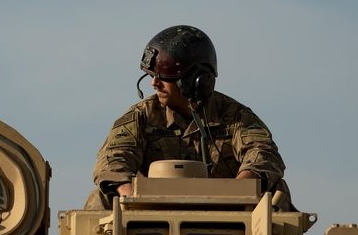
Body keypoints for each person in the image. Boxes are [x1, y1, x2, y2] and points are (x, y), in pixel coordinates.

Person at [86, 25, 291, 210]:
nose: (154, 83)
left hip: (230, 212)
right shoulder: (141, 116)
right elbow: (114, 159)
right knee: (101, 199)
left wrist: (238, 190)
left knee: (277, 193)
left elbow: (263, 154)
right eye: (152, 75)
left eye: (164, 77)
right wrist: (130, 195)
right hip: (149, 213)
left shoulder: (236, 117)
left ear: (195, 81)